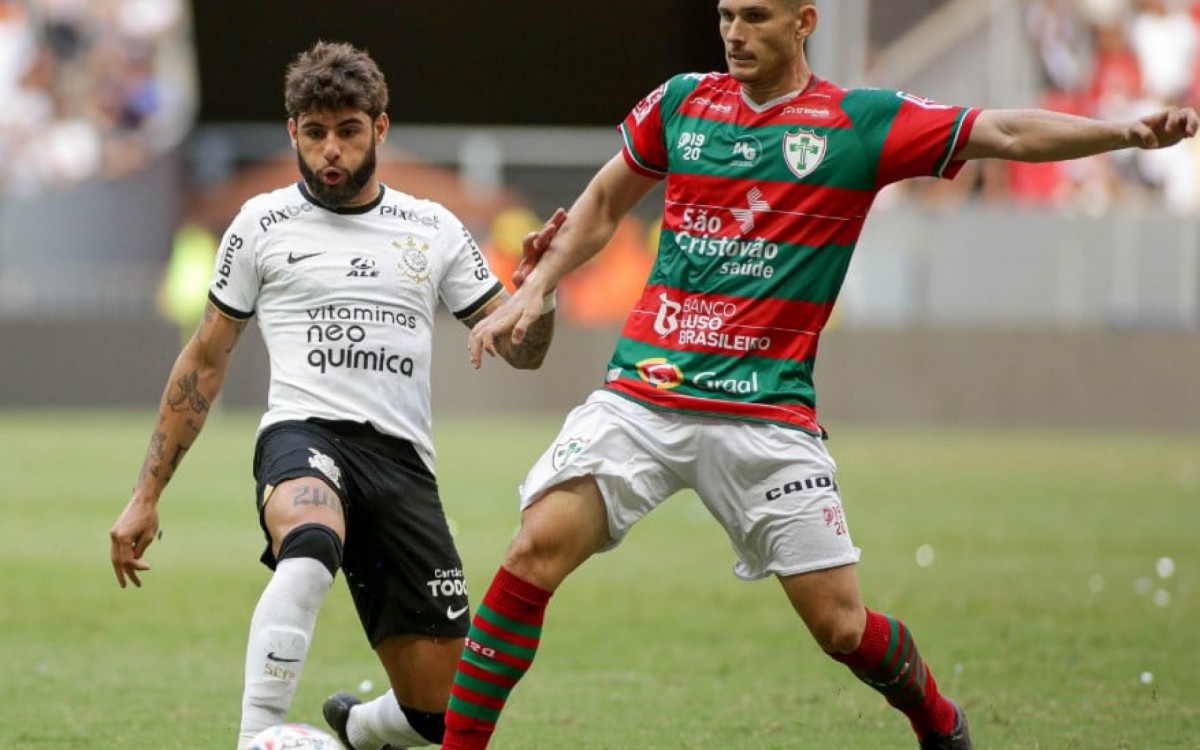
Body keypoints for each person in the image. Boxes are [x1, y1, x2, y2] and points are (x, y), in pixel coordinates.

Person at [440, 2, 1200, 749]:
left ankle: (940, 723)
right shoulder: (682, 104)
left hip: (766, 417)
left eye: (757, 17)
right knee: (533, 549)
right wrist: (536, 288)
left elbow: (999, 129)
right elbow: (605, 201)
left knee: (840, 627)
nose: (736, 32)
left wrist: (1124, 132)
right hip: (645, 395)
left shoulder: (859, 123)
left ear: (804, 23)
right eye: (727, 15)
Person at [108, 41, 556, 750]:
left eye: (348, 130)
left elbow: (523, 351)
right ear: (293, 133)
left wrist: (541, 292)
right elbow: (205, 361)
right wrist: (145, 493)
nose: (331, 151)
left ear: (380, 128)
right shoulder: (259, 226)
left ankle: (356, 729)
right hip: (303, 435)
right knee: (311, 538)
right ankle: (256, 737)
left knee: (439, 717)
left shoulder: (433, 229)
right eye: (314, 132)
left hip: (402, 463)